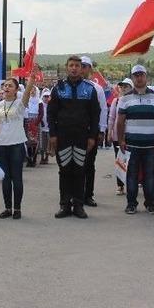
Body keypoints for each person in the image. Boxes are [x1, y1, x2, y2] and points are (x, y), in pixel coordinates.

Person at [48, 56, 100, 219]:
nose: (74, 68)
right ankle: (65, 205)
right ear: (67, 68)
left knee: (80, 170)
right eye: (71, 65)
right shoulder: (58, 88)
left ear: (81, 68)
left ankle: (78, 205)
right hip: (62, 137)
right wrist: (53, 134)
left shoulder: (89, 89)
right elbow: (51, 114)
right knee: (64, 171)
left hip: (82, 138)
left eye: (77, 65)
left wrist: (92, 136)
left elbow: (95, 115)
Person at [116, 65, 154, 215]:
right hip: (131, 144)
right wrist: (120, 140)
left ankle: (150, 203)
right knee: (131, 176)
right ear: (132, 78)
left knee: (150, 176)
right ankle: (131, 204)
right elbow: (120, 121)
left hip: (151, 145)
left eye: (141, 75)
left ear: (146, 76)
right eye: (136, 75)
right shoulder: (125, 98)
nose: (139, 77)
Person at [0, 78, 33, 219]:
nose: (6, 88)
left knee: (17, 178)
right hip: (1, 146)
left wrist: (31, 79)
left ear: (15, 90)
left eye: (10, 86)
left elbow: (26, 93)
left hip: (16, 145)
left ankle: (17, 209)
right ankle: (8, 208)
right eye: (5, 85)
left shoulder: (20, 104)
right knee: (5, 178)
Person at [80, 56, 108, 207]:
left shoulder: (97, 89)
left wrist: (101, 130)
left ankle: (88, 195)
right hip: (74, 132)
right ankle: (74, 194)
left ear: (90, 69)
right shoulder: (70, 86)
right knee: (74, 165)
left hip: (91, 132)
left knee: (89, 164)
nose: (82, 69)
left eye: (85, 66)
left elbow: (103, 110)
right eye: (80, 65)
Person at [108, 79, 132, 194]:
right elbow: (112, 118)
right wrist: (109, 133)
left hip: (131, 135)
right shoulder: (116, 101)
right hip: (118, 136)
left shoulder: (134, 101)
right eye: (122, 86)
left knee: (132, 161)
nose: (123, 88)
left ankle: (132, 184)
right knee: (120, 161)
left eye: (126, 86)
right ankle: (120, 185)